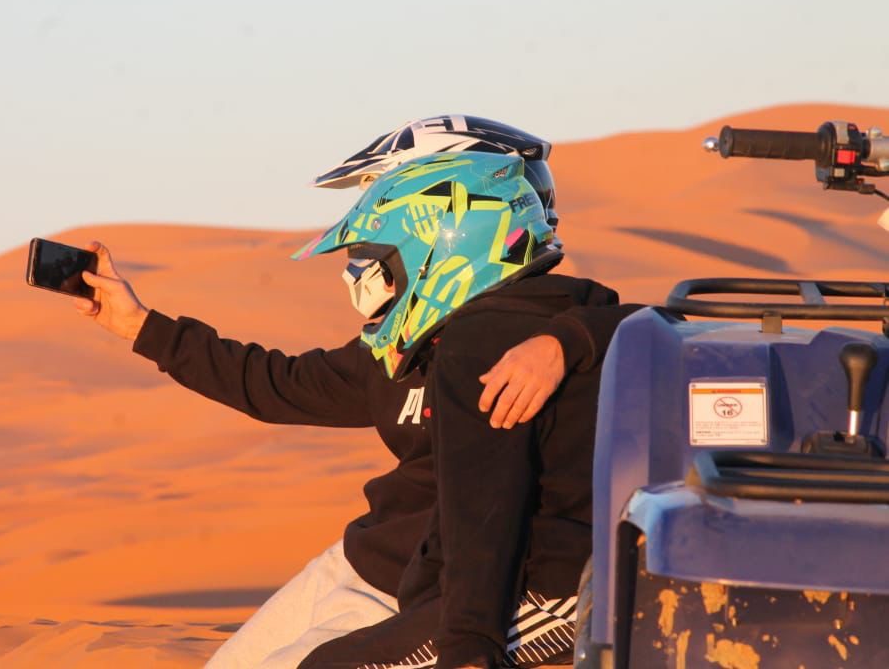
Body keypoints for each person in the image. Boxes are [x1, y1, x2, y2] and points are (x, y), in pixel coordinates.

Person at [74, 119, 637, 668]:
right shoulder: (407, 346)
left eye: (374, 255)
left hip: (477, 586)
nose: (358, 276)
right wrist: (139, 326)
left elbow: (489, 505)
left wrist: (570, 339)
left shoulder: (522, 334)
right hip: (374, 562)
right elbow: (278, 385)